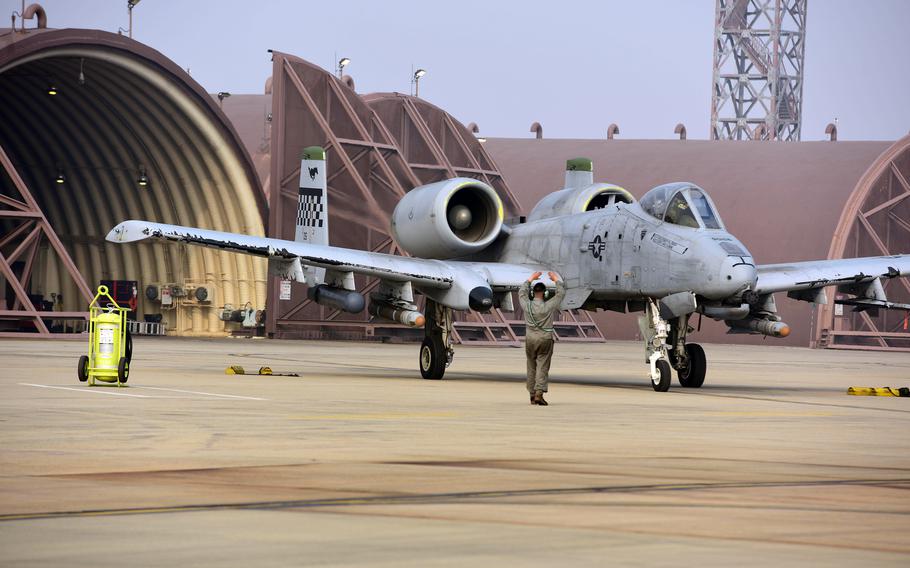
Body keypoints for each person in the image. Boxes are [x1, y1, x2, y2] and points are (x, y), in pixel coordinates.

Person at [518, 271, 566, 405]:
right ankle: (539, 393)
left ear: (533, 293)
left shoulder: (526, 305)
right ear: (545, 294)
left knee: (531, 366)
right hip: (545, 339)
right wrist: (556, 279)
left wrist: (530, 279)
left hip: (530, 339)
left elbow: (521, 292)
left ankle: (532, 395)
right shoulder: (548, 306)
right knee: (542, 366)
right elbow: (560, 294)